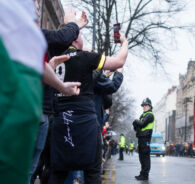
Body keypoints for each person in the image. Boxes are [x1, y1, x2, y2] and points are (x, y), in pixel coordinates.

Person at [49, 30, 128, 183]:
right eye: (78, 33)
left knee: (57, 173)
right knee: (92, 171)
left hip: (61, 121)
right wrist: (124, 42)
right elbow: (119, 61)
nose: (81, 36)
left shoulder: (54, 59)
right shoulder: (85, 57)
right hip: (84, 122)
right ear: (74, 39)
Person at [29, 4, 88, 183]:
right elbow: (61, 38)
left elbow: (41, 67)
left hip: (41, 111)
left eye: (39, 4)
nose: (38, 7)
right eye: (33, 4)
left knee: (29, 169)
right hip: (29, 110)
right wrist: (73, 24)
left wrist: (60, 84)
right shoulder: (23, 30)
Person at [133, 97, 155, 181]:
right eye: (143, 105)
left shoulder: (150, 115)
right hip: (141, 138)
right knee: (141, 157)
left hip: (145, 138)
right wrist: (136, 124)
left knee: (145, 157)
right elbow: (137, 128)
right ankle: (142, 174)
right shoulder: (143, 115)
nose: (144, 107)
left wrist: (136, 121)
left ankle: (145, 175)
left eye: (146, 105)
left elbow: (142, 124)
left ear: (150, 106)